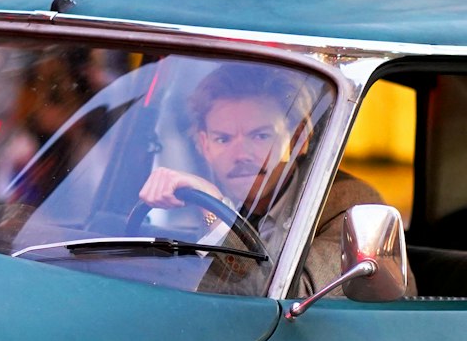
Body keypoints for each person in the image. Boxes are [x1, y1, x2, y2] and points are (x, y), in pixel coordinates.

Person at [138, 62, 415, 296]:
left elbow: (285, 300)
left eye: (261, 136)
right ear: (204, 145)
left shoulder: (350, 205)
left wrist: (214, 210)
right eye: (223, 139)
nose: (241, 154)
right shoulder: (217, 200)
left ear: (299, 140)